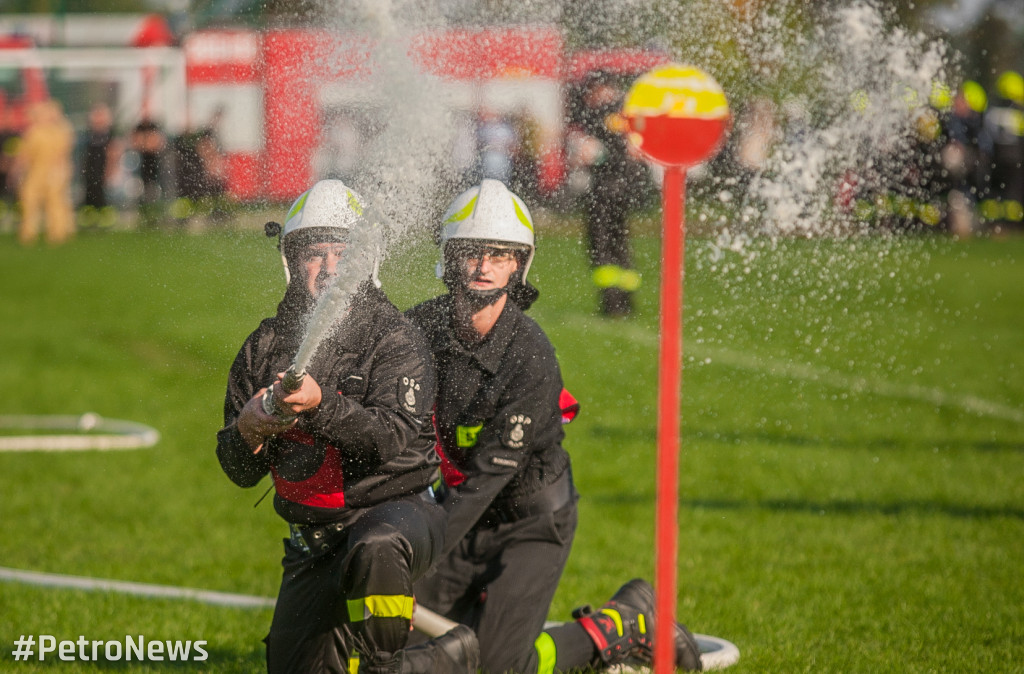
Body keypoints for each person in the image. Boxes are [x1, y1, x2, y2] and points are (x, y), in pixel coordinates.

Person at [406, 179, 702, 673]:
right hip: (459, 516)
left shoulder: (531, 355)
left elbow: (485, 479)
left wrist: (415, 548)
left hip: (529, 523)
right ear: (449, 256)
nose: (483, 268)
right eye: (472, 252)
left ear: (518, 265)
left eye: (500, 255)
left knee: (501, 666)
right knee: (394, 640)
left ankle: (622, 624)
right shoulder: (416, 329)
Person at [215, 179, 479, 674]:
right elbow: (238, 472)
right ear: (292, 262)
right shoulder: (261, 347)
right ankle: (445, 659)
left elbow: (386, 439)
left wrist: (318, 406)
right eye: (316, 253)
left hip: (396, 516)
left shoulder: (396, 338)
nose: (331, 267)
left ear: (367, 262)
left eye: (344, 253)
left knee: (375, 549)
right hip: (313, 539)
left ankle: (385, 666)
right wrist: (248, 430)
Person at [573, 70, 651, 317]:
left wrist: (596, 154)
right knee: (621, 243)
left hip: (605, 189)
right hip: (625, 188)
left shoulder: (603, 113)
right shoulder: (629, 110)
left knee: (602, 245)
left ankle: (612, 304)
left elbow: (599, 152)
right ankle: (627, 302)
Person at [14, 99, 75, 246]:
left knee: (55, 201)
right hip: (38, 171)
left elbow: (62, 154)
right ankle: (29, 233)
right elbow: (25, 155)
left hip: (54, 171)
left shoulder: (61, 131)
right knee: (30, 200)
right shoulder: (35, 132)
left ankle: (58, 233)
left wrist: (61, 172)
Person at [80, 102, 120, 228]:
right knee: (90, 195)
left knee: (102, 195)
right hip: (90, 171)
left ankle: (106, 220)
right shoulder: (89, 135)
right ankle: (90, 220)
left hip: (102, 170)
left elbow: (113, 153)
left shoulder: (110, 134)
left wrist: (111, 169)